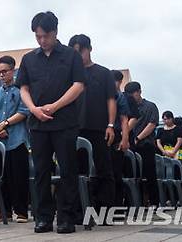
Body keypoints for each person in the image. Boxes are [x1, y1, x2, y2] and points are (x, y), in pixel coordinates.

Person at [17, 11, 86, 234]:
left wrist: (55, 106)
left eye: (45, 35)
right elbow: (24, 88)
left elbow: (78, 85)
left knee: (68, 170)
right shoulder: (29, 59)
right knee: (41, 171)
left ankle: (66, 217)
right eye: (38, 36)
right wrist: (33, 109)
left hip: (65, 121)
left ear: (55, 32)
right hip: (38, 124)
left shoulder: (70, 56)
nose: (42, 40)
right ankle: (43, 217)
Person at [68, 34, 117, 225]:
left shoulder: (104, 73)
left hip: (99, 128)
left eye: (81, 51)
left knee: (104, 170)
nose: (79, 55)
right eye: (75, 52)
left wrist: (111, 125)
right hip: (74, 129)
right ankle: (80, 213)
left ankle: (106, 214)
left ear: (89, 49)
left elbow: (111, 100)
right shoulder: (70, 74)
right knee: (76, 171)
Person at [0, 55, 30, 223]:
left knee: (18, 176)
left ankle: (21, 212)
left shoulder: (21, 91)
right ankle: (3, 211)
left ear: (13, 70)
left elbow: (24, 111)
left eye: (4, 71)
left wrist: (4, 124)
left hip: (17, 139)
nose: (2, 75)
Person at [125, 81, 159, 207]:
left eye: (132, 94)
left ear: (139, 92)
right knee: (132, 175)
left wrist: (138, 138)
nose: (130, 97)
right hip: (131, 146)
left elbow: (151, 125)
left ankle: (154, 203)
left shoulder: (150, 106)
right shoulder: (127, 107)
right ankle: (134, 203)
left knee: (149, 175)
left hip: (146, 145)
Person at [109, 70, 138, 207]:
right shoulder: (103, 95)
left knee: (120, 172)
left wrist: (123, 135)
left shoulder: (125, 97)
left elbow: (130, 118)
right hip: (107, 136)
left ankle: (122, 204)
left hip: (121, 137)